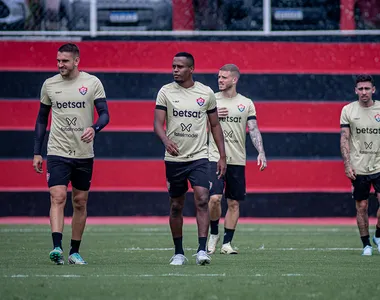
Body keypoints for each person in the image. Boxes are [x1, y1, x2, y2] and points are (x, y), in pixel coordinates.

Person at [32, 43, 110, 265]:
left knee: (79, 201)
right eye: (58, 61)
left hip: (84, 153)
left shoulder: (92, 83)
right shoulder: (49, 85)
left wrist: (94, 128)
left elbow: (105, 114)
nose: (60, 65)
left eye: (64, 61)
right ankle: (56, 247)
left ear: (76, 61)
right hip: (57, 151)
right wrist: (37, 152)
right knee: (57, 197)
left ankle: (74, 252)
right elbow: (41, 120)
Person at [154, 52, 227, 265]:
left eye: (180, 67)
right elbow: (158, 123)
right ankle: (178, 252)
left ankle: (202, 250)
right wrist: (166, 140)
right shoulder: (165, 92)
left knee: (203, 199)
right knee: (176, 205)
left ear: (191, 69)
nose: (175, 70)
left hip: (199, 157)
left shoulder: (205, 93)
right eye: (173, 66)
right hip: (174, 159)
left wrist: (222, 156)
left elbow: (215, 125)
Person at [207, 64, 267, 255]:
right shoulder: (211, 100)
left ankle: (227, 244)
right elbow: (199, 128)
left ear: (234, 80)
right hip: (215, 157)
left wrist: (261, 152)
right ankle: (214, 233)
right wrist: (212, 119)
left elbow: (254, 129)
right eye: (218, 77)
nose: (220, 80)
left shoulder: (246, 103)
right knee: (214, 198)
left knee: (233, 203)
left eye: (224, 77)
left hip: (237, 159)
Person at [340, 74, 380, 256]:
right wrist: (347, 165)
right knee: (362, 206)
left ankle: (378, 235)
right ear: (356, 91)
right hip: (359, 167)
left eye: (367, 88)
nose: (364, 92)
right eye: (360, 89)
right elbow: (344, 138)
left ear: (373, 90)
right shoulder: (348, 110)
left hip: (379, 165)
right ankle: (366, 245)